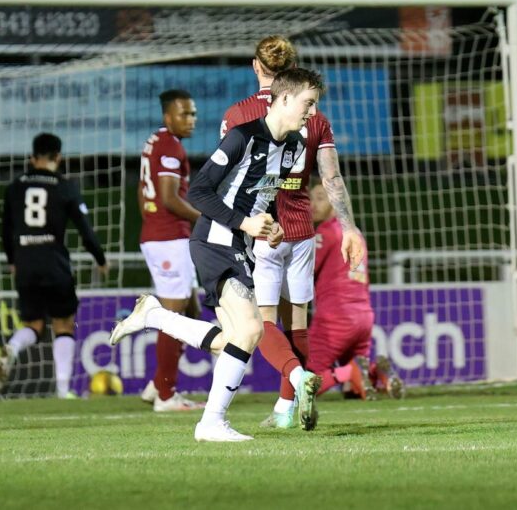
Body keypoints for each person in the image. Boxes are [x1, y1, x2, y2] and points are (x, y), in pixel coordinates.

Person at [112, 68, 325, 442]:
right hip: (212, 242)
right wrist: (245, 223)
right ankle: (211, 422)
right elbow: (198, 192)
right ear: (286, 99)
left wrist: (271, 223)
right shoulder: (242, 138)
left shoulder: (293, 146)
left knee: (233, 340)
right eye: (308, 103)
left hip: (239, 244)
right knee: (253, 329)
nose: (312, 111)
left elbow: (265, 194)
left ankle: (156, 315)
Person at [220, 35, 364, 430]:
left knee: (262, 322)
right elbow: (331, 178)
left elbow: (230, 177)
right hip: (303, 230)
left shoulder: (239, 114)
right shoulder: (315, 117)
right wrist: (349, 228)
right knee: (297, 321)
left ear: (256, 67)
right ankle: (285, 409)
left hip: (263, 228)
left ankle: (296, 384)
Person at [0, 132, 108, 399]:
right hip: (54, 262)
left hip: (25, 262)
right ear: (58, 157)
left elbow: (4, 230)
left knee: (33, 325)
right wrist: (100, 258)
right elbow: (86, 230)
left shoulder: (14, 187)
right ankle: (62, 389)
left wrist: (12, 261)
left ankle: (13, 347)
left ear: (32, 158)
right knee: (63, 325)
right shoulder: (65, 186)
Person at [137, 89, 205, 412]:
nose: (191, 120)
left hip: (165, 236)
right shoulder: (170, 147)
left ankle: (156, 384)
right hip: (167, 239)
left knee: (190, 310)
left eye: (192, 113)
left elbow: (144, 193)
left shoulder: (157, 141)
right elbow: (168, 198)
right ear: (168, 117)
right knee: (174, 316)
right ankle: (166, 395)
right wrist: (205, 219)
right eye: (184, 114)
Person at [308, 179, 404, 400]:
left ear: (336, 202)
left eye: (320, 198)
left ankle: (350, 371)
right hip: (363, 316)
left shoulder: (326, 233)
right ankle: (375, 374)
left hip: (335, 317)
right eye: (311, 198)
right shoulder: (355, 233)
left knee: (307, 383)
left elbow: (305, 271)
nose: (313, 204)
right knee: (354, 390)